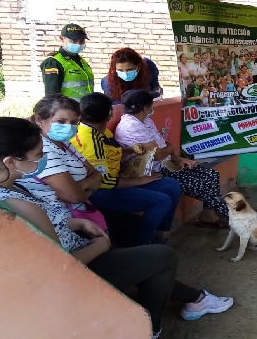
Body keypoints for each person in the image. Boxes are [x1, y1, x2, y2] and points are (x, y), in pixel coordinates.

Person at [0, 117, 234, 339]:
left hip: (75, 241)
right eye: (37, 155)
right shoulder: (17, 201)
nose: (42, 160)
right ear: (10, 161)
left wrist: (75, 223)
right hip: (73, 272)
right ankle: (150, 329)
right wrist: (101, 246)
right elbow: (61, 266)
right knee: (163, 257)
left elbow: (45, 225)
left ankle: (195, 299)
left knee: (141, 253)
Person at [70, 92, 182, 246]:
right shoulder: (90, 141)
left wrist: (130, 149)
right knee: (161, 201)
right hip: (101, 191)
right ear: (110, 113)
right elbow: (104, 181)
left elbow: (110, 152)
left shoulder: (96, 130)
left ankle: (161, 235)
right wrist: (139, 181)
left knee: (171, 186)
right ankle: (139, 245)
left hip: (116, 179)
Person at [114, 90, 230, 228]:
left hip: (166, 164)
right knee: (204, 186)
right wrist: (170, 149)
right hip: (152, 171)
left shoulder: (146, 121)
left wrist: (179, 159)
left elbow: (163, 146)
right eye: (151, 104)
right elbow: (158, 154)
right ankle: (235, 218)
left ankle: (208, 216)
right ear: (145, 108)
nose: (152, 107)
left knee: (211, 175)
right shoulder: (131, 125)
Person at [17, 94, 106, 230]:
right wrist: (87, 186)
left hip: (82, 210)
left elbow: (96, 174)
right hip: (64, 221)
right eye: (61, 121)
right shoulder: (43, 149)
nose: (68, 127)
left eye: (74, 122)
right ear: (39, 120)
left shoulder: (64, 142)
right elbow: (74, 196)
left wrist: (81, 186)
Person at [40, 23, 94, 100]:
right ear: (62, 38)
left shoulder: (81, 61)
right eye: (74, 40)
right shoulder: (53, 63)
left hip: (85, 106)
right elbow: (52, 97)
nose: (78, 44)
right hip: (67, 107)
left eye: (82, 41)